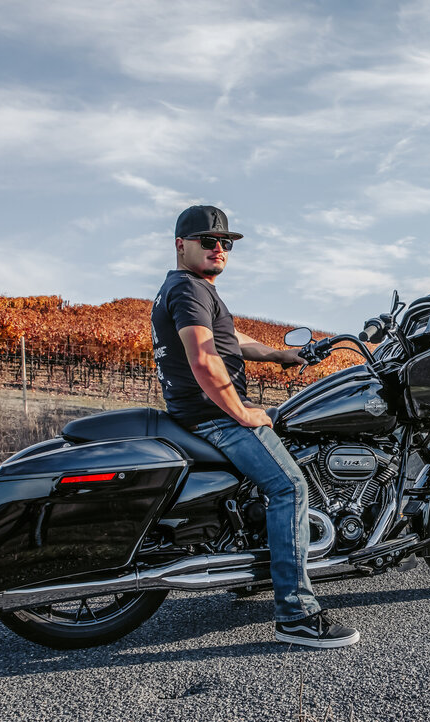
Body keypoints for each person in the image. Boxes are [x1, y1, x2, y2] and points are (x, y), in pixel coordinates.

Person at [151, 205, 359, 648]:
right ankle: (296, 615)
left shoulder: (191, 290)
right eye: (208, 241)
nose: (219, 249)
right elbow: (205, 358)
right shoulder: (189, 290)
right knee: (290, 488)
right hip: (215, 418)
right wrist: (241, 413)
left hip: (200, 415)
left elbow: (229, 340)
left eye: (226, 243)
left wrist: (279, 354)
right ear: (180, 244)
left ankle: (257, 568)